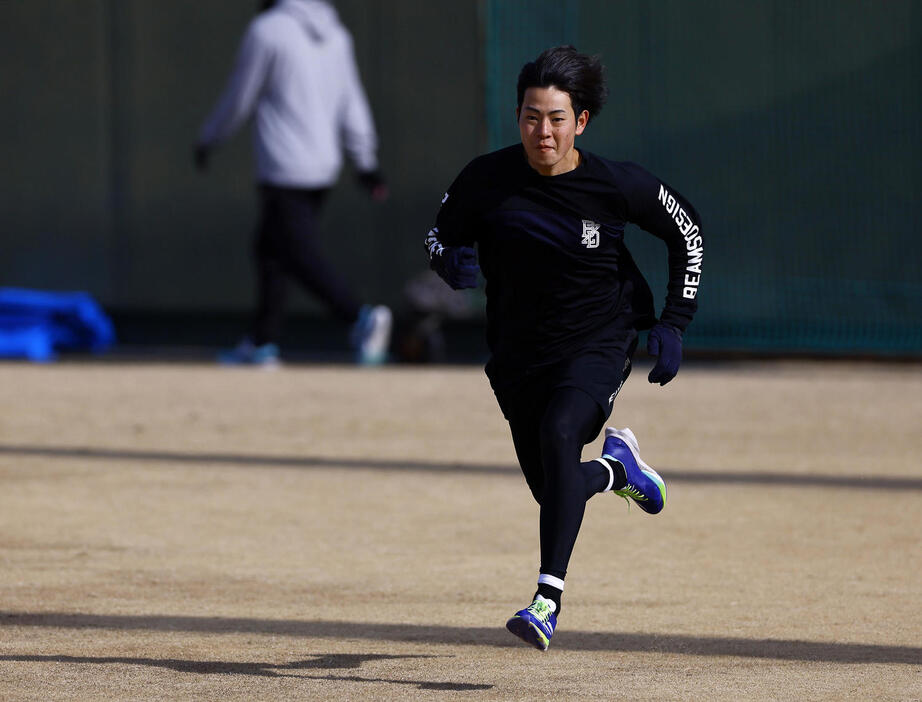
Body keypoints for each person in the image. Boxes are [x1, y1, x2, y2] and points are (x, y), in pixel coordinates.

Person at [424, 46, 703, 651]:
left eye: (555, 119)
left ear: (580, 122)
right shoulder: (486, 179)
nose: (541, 132)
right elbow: (437, 234)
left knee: (559, 434)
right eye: (530, 116)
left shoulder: (614, 184)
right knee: (557, 489)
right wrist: (449, 262)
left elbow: (689, 233)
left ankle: (545, 602)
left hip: (599, 339)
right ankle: (614, 469)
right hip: (518, 356)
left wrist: (675, 322)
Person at [195, 0, 392, 366]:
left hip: (283, 163)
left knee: (295, 253)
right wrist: (365, 161)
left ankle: (360, 318)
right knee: (270, 249)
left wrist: (209, 138)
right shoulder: (337, 33)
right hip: (323, 165)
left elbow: (240, 96)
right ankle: (262, 341)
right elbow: (352, 100)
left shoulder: (266, 30)